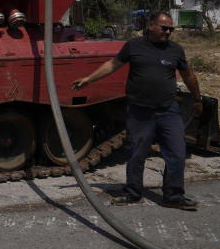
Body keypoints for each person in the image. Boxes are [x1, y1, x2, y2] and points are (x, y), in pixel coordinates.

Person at [71, 11, 203, 210]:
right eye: (164, 28)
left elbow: (188, 75)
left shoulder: (175, 49)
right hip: (140, 112)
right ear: (151, 25)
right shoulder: (134, 46)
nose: (168, 32)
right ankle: (133, 194)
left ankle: (174, 196)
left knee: (177, 153)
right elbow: (112, 64)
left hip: (168, 111)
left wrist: (197, 98)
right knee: (136, 154)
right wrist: (89, 79)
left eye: (171, 29)